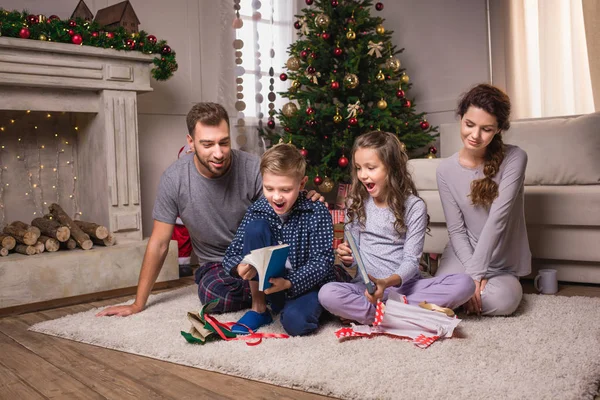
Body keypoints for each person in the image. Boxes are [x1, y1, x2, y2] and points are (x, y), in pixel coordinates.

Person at [97, 103, 322, 317]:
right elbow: (159, 243)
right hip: (218, 265)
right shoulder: (174, 179)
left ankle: (276, 290)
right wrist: (138, 303)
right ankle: (278, 290)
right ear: (191, 142)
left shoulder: (253, 167)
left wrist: (306, 198)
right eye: (207, 144)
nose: (219, 153)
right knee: (213, 296)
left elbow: (281, 204)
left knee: (262, 234)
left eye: (224, 142)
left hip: (262, 255)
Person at [318, 131, 474, 325]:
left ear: (391, 168)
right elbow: (355, 258)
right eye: (359, 168)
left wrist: (387, 282)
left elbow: (411, 260)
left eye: (371, 168)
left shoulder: (414, 206)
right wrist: (348, 259)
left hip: (407, 287)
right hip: (368, 290)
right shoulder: (356, 202)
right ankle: (404, 315)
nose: (363, 175)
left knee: (465, 284)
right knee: (327, 294)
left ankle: (382, 315)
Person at [435, 83, 531, 316]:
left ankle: (461, 300)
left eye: (486, 129)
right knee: (443, 294)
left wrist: (474, 277)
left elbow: (498, 221)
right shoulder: (445, 169)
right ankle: (455, 293)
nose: (475, 136)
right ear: (461, 118)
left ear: (499, 129)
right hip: (463, 254)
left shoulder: (515, 158)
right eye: (469, 125)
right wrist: (471, 275)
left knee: (504, 301)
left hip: (501, 263)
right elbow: (457, 231)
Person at [223, 143, 336, 336]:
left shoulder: (316, 211)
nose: (276, 197)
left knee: (296, 324)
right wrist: (240, 266)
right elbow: (232, 253)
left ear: (301, 184)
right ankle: (259, 309)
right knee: (255, 228)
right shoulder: (258, 209)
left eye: (285, 189)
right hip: (270, 289)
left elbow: (323, 261)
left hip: (306, 286)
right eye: (269, 188)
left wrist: (290, 282)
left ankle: (320, 307)